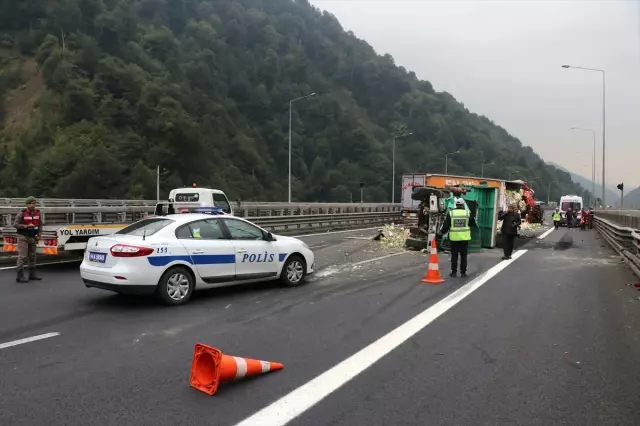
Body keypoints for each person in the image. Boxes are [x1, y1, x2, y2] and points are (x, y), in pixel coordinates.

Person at [439, 198, 475, 278]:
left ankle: (454, 272)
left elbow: (446, 226)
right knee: (463, 256)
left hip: (454, 238)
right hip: (464, 238)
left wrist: (441, 232)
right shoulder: (467, 213)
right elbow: (472, 223)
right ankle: (463, 273)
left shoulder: (451, 213)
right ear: (463, 205)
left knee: (454, 256)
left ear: (456, 205)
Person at [13, 196, 43, 282]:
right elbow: (15, 224)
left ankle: (32, 275)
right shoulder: (22, 213)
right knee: (22, 256)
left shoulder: (37, 213)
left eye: (34, 203)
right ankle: (19, 276)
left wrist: (39, 234)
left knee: (33, 256)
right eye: (32, 203)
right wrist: (26, 226)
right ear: (27, 204)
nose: (33, 205)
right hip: (23, 237)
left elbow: (40, 224)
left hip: (32, 237)